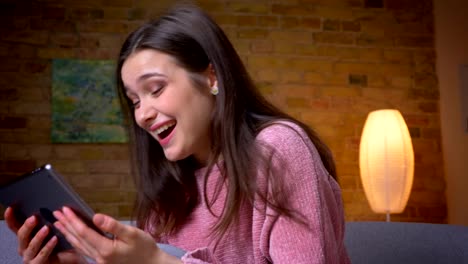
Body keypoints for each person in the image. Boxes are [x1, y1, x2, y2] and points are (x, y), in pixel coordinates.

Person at [4, 4, 350, 264]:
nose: (142, 114)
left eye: (155, 89)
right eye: (134, 101)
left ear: (212, 77)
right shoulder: (167, 192)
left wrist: (157, 261)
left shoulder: (278, 148)